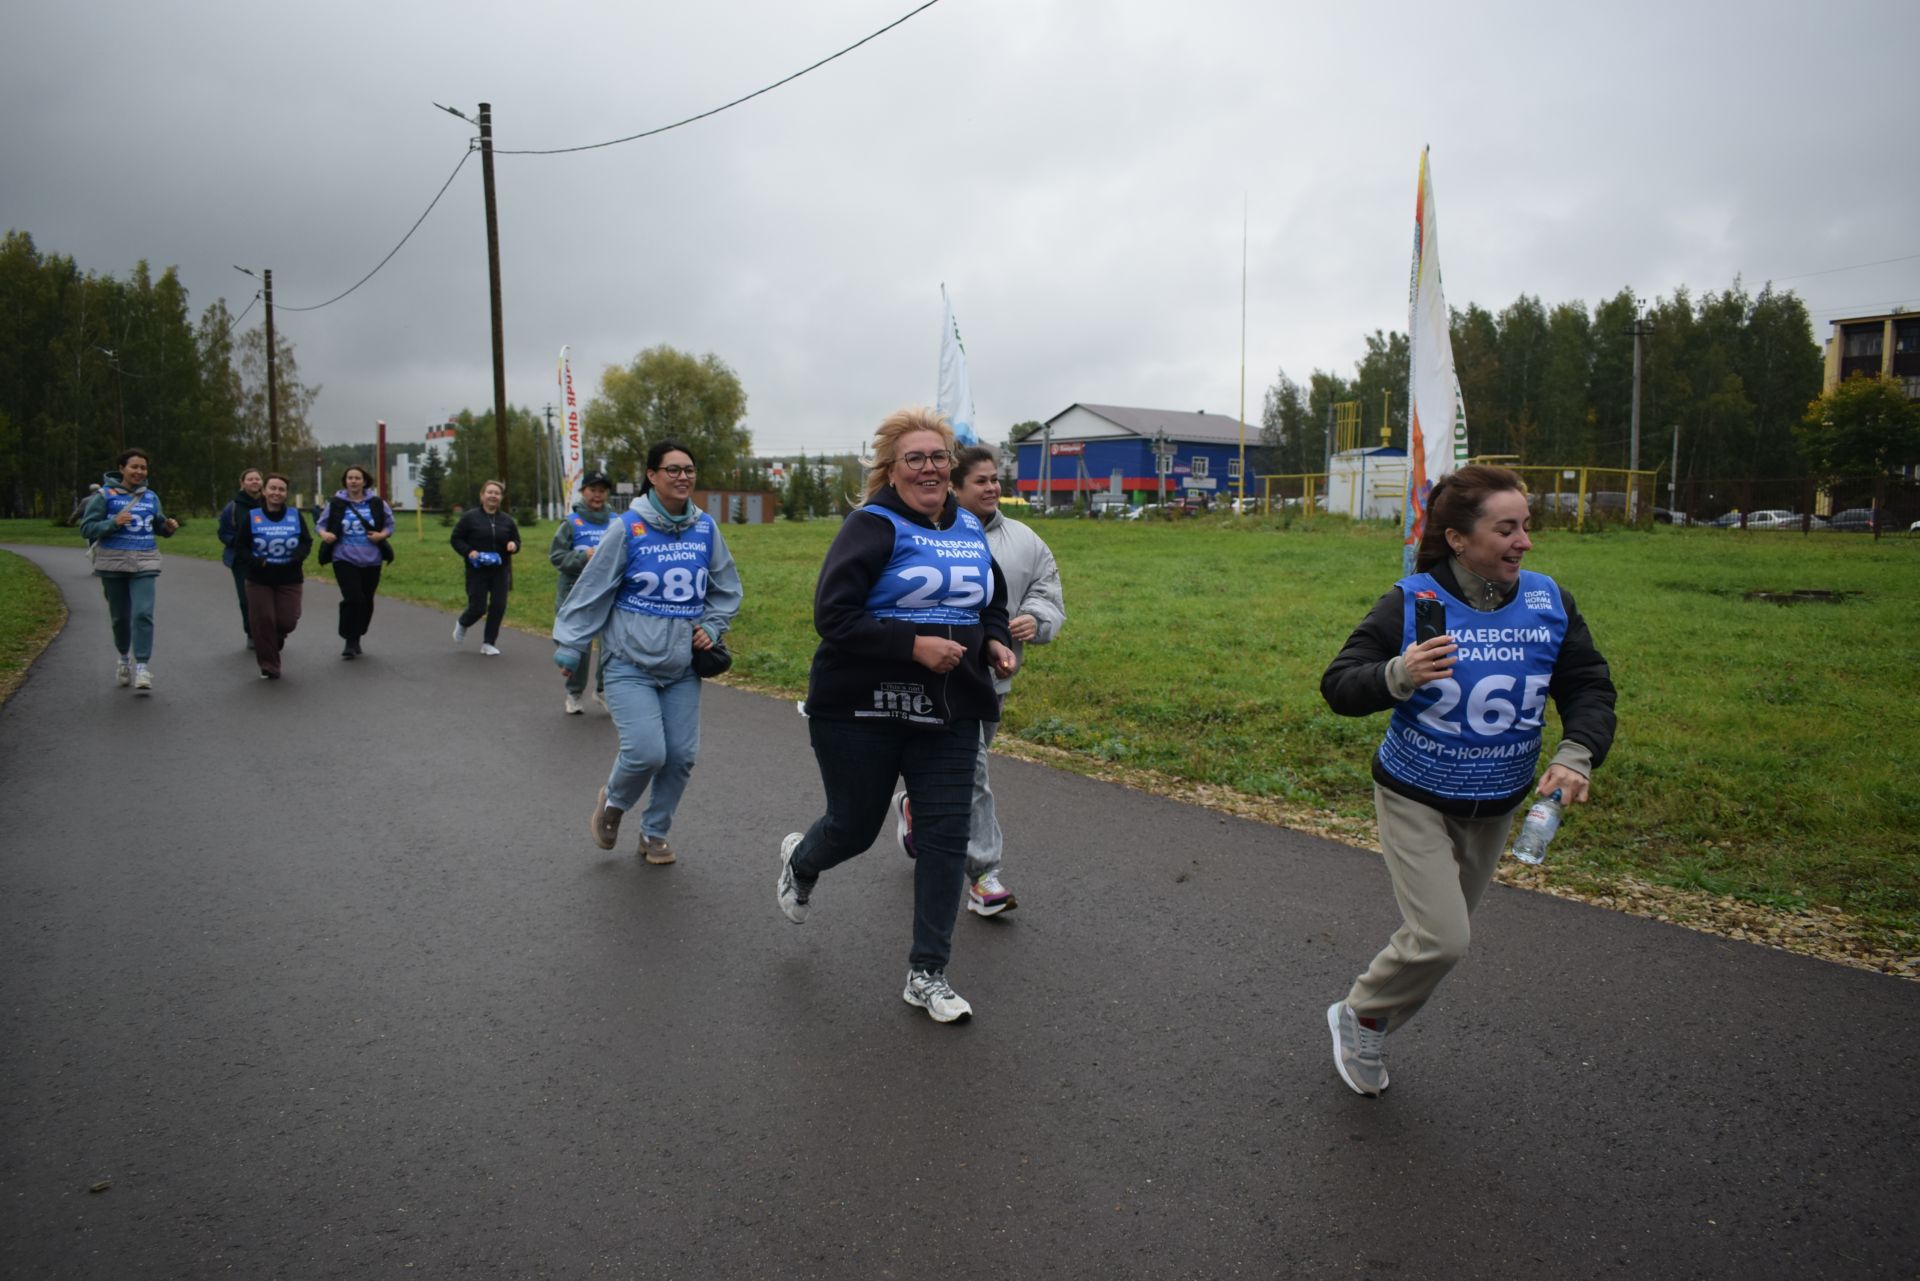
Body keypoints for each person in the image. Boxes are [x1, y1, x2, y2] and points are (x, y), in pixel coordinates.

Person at [1319, 464, 1616, 1097]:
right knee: (1444, 938)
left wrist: (1576, 754)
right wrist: (1398, 674)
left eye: (1526, 527)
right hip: (1415, 794)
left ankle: (1367, 1015)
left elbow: (1588, 685)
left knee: (1436, 937)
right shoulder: (1413, 601)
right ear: (1458, 538)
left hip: (1498, 803)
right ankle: (1362, 1015)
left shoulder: (1549, 602)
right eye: (1506, 529)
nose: (1524, 542)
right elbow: (1340, 686)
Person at [776, 408, 1017, 1024]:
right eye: (916, 458)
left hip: (951, 707)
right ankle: (803, 861)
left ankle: (927, 974)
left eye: (939, 457)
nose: (931, 467)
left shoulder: (967, 526)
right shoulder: (871, 526)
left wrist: (993, 639)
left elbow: (991, 600)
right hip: (860, 707)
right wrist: (913, 646)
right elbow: (834, 615)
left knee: (944, 837)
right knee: (853, 828)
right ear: (892, 468)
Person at [893, 444, 1065, 917]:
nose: (992, 488)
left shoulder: (1026, 541)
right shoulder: (919, 533)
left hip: (992, 681)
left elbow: (1048, 592)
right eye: (982, 481)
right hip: (932, 675)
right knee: (972, 772)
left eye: (996, 480)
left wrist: (1036, 617)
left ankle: (914, 804)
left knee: (962, 771)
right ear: (954, 487)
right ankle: (984, 875)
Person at [553, 444, 742, 864]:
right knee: (646, 751)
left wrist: (712, 626)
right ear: (652, 476)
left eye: (689, 469)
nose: (682, 477)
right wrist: (571, 646)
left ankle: (654, 833)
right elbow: (593, 587)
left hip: (681, 667)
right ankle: (614, 805)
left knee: (679, 758)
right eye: (672, 469)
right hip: (628, 663)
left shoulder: (706, 528)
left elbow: (727, 587)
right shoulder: (628, 527)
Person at [78, 448, 179, 693]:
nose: (139, 472)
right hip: (113, 561)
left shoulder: (151, 497)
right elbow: (87, 528)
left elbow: (158, 525)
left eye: (143, 468)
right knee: (120, 617)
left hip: (145, 560)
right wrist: (113, 523)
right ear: (122, 468)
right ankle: (124, 658)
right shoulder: (104, 495)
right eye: (134, 467)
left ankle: (142, 667)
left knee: (143, 613)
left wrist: (168, 527)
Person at [548, 470, 617, 714]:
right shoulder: (572, 522)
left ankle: (602, 690)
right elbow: (556, 557)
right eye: (592, 490)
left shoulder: (616, 521)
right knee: (580, 648)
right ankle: (574, 693)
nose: (597, 495)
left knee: (612, 646)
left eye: (602, 490)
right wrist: (583, 556)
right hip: (576, 595)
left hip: (608, 594)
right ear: (583, 491)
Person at [232, 473, 313, 680]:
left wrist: (298, 556)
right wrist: (256, 561)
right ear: (265, 491)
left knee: (287, 621)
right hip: (259, 578)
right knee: (264, 620)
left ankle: (274, 638)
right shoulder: (253, 516)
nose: (276, 493)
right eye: (273, 488)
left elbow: (306, 541)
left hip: (289, 576)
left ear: (286, 493)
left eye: (281, 489)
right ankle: (269, 665)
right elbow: (240, 546)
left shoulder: (295, 516)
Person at [315, 464, 395, 659]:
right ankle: (349, 640)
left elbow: (389, 525)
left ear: (364, 481)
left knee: (366, 600)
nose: (353, 481)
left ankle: (358, 635)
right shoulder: (336, 503)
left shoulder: (377, 503)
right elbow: (321, 524)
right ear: (345, 482)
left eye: (357, 478)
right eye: (350, 478)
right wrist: (325, 535)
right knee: (353, 598)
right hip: (344, 557)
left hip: (372, 559)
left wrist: (381, 535)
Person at [450, 480, 520, 655]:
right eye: (489, 492)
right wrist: (469, 551)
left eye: (497, 493)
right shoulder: (470, 518)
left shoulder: (507, 520)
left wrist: (513, 545)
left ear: (501, 498)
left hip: (500, 570)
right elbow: (456, 539)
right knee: (478, 607)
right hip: (477, 570)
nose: (493, 496)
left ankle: (488, 643)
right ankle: (463, 623)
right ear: (482, 496)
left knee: (498, 605)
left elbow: (516, 540)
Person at [216, 467, 265, 648]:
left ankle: (269, 632)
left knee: (266, 598)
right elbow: (223, 533)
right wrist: (238, 541)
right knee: (247, 599)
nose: (254, 482)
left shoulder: (269, 503)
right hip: (241, 560)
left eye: (257, 479)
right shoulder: (233, 507)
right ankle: (251, 633)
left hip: (266, 558)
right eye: (250, 479)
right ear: (242, 483)